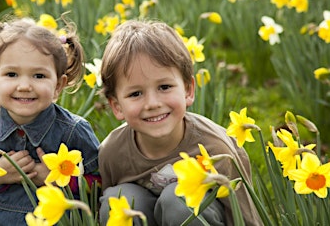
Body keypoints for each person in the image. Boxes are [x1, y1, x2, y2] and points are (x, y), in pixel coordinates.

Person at [98, 20, 261, 226]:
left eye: (164, 87)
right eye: (135, 93)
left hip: (191, 215)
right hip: (145, 214)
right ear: (117, 106)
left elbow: (244, 217)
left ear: (188, 90)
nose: (152, 103)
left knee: (179, 202)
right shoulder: (112, 152)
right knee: (119, 200)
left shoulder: (215, 149)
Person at [0, 16, 100, 225]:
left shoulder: (73, 131)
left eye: (39, 76)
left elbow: (99, 184)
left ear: (58, 85)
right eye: (12, 74)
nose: (24, 85)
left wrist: (57, 178)